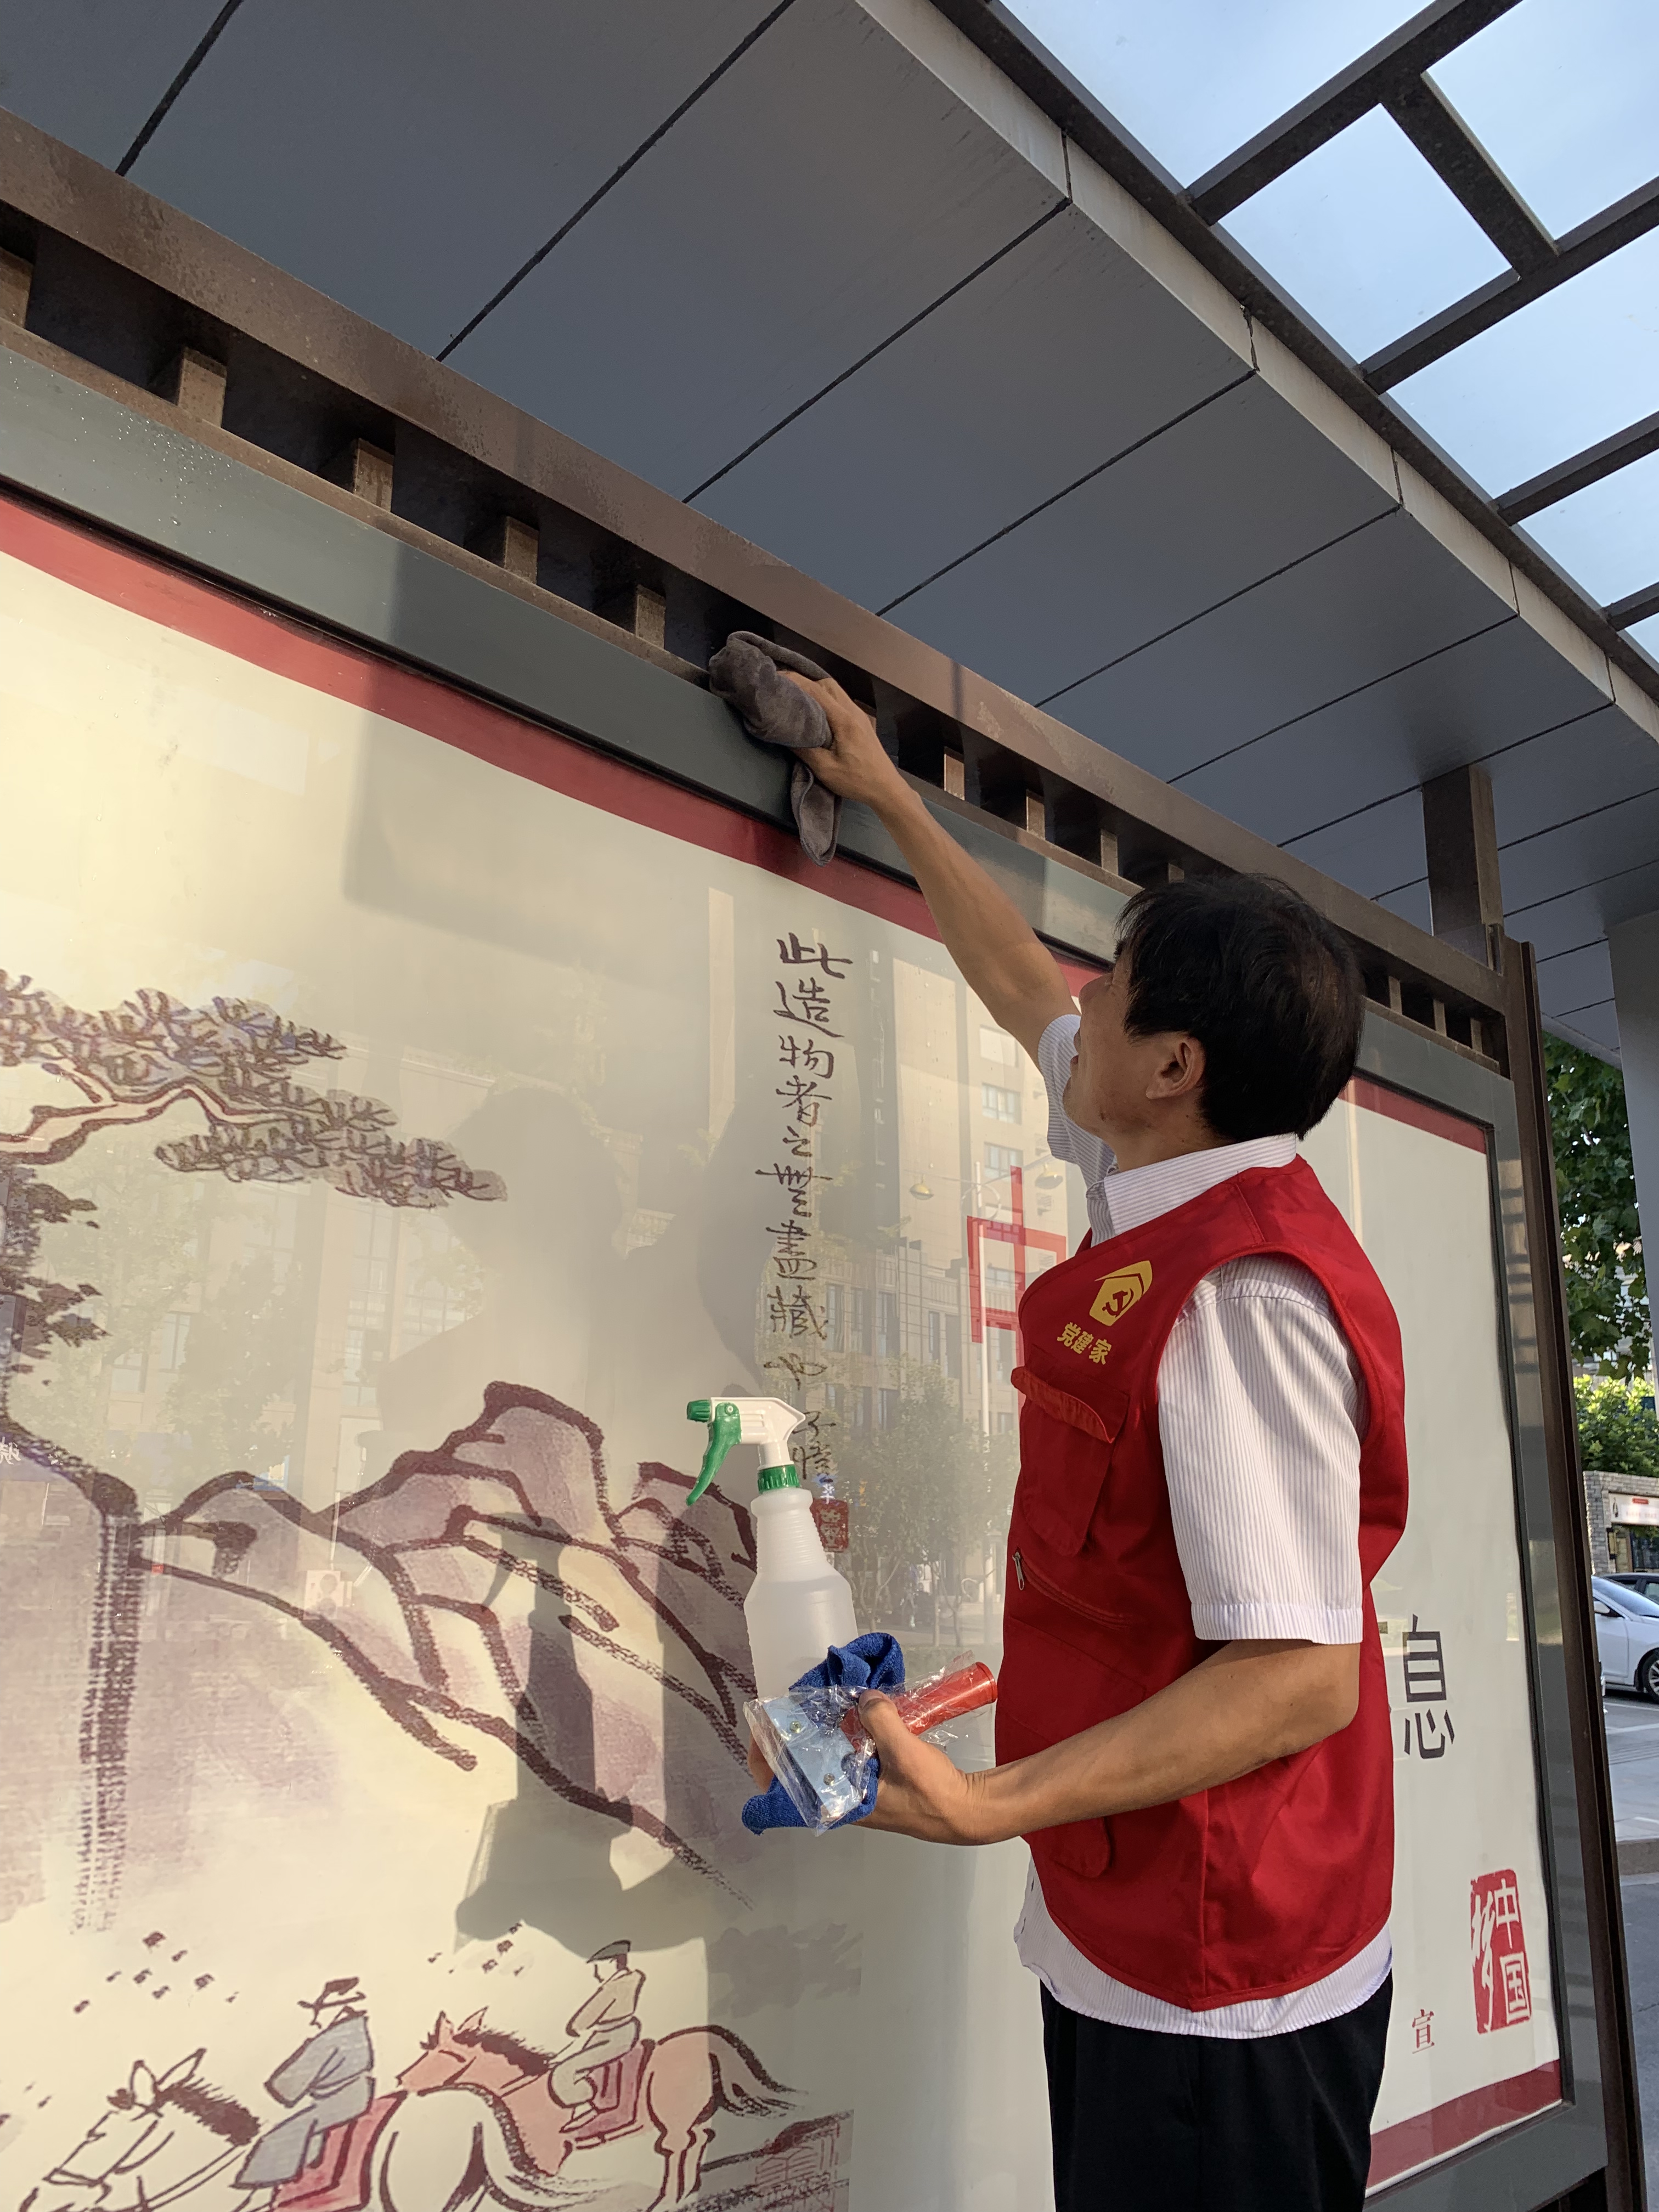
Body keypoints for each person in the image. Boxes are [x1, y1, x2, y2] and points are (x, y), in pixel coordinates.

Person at [755, 672, 1408, 2212]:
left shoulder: (1243, 1297)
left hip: (1217, 1976)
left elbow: (1297, 1677)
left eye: (1117, 986)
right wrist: (887, 791)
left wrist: (987, 1804)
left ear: (1177, 1068)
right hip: (1140, 1911)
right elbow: (1020, 991)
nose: (1085, 1003)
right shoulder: (1172, 1164)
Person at [548, 1941, 645, 2111]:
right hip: (612, 2032)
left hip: (614, 2037)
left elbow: (588, 2016)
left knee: (564, 2073)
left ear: (613, 1962)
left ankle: (585, 2095)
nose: (595, 1973)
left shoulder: (614, 1987)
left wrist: (575, 2028)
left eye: (598, 1967)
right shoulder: (627, 1981)